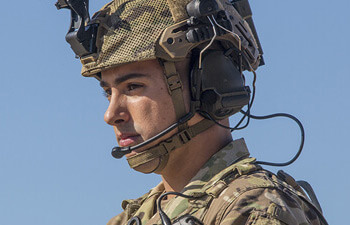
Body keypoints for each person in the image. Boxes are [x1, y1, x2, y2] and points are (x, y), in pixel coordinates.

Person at [57, 0, 328, 224]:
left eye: (133, 86)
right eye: (108, 92)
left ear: (208, 83)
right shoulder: (134, 218)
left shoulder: (254, 210)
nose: (111, 114)